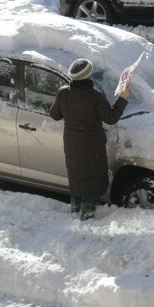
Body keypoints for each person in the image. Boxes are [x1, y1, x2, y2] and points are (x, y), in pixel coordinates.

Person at [49, 58, 130, 220]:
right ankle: (87, 214)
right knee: (91, 178)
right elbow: (111, 118)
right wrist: (122, 98)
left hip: (72, 143)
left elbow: (55, 115)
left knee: (76, 173)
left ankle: (75, 207)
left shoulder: (63, 92)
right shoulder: (95, 97)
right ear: (88, 76)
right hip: (92, 145)